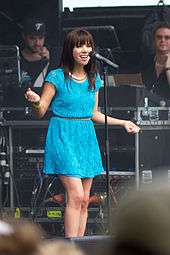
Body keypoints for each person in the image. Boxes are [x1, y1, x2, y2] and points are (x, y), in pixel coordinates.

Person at [25, 28, 140, 237]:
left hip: (86, 138)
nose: (85, 49)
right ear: (70, 50)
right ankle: (71, 246)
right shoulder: (57, 77)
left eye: (88, 45)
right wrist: (35, 102)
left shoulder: (93, 78)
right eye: (80, 45)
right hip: (63, 135)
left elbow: (94, 113)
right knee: (76, 195)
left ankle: (79, 246)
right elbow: (41, 111)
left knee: (85, 200)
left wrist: (123, 122)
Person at [141, 21, 170, 100]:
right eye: (159, 37)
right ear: (154, 40)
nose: (162, 40)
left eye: (167, 37)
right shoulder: (147, 61)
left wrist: (167, 68)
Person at [20, 17, 50, 89]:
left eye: (40, 38)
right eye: (32, 38)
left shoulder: (52, 58)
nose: (37, 43)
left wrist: (49, 62)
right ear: (24, 36)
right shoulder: (16, 60)